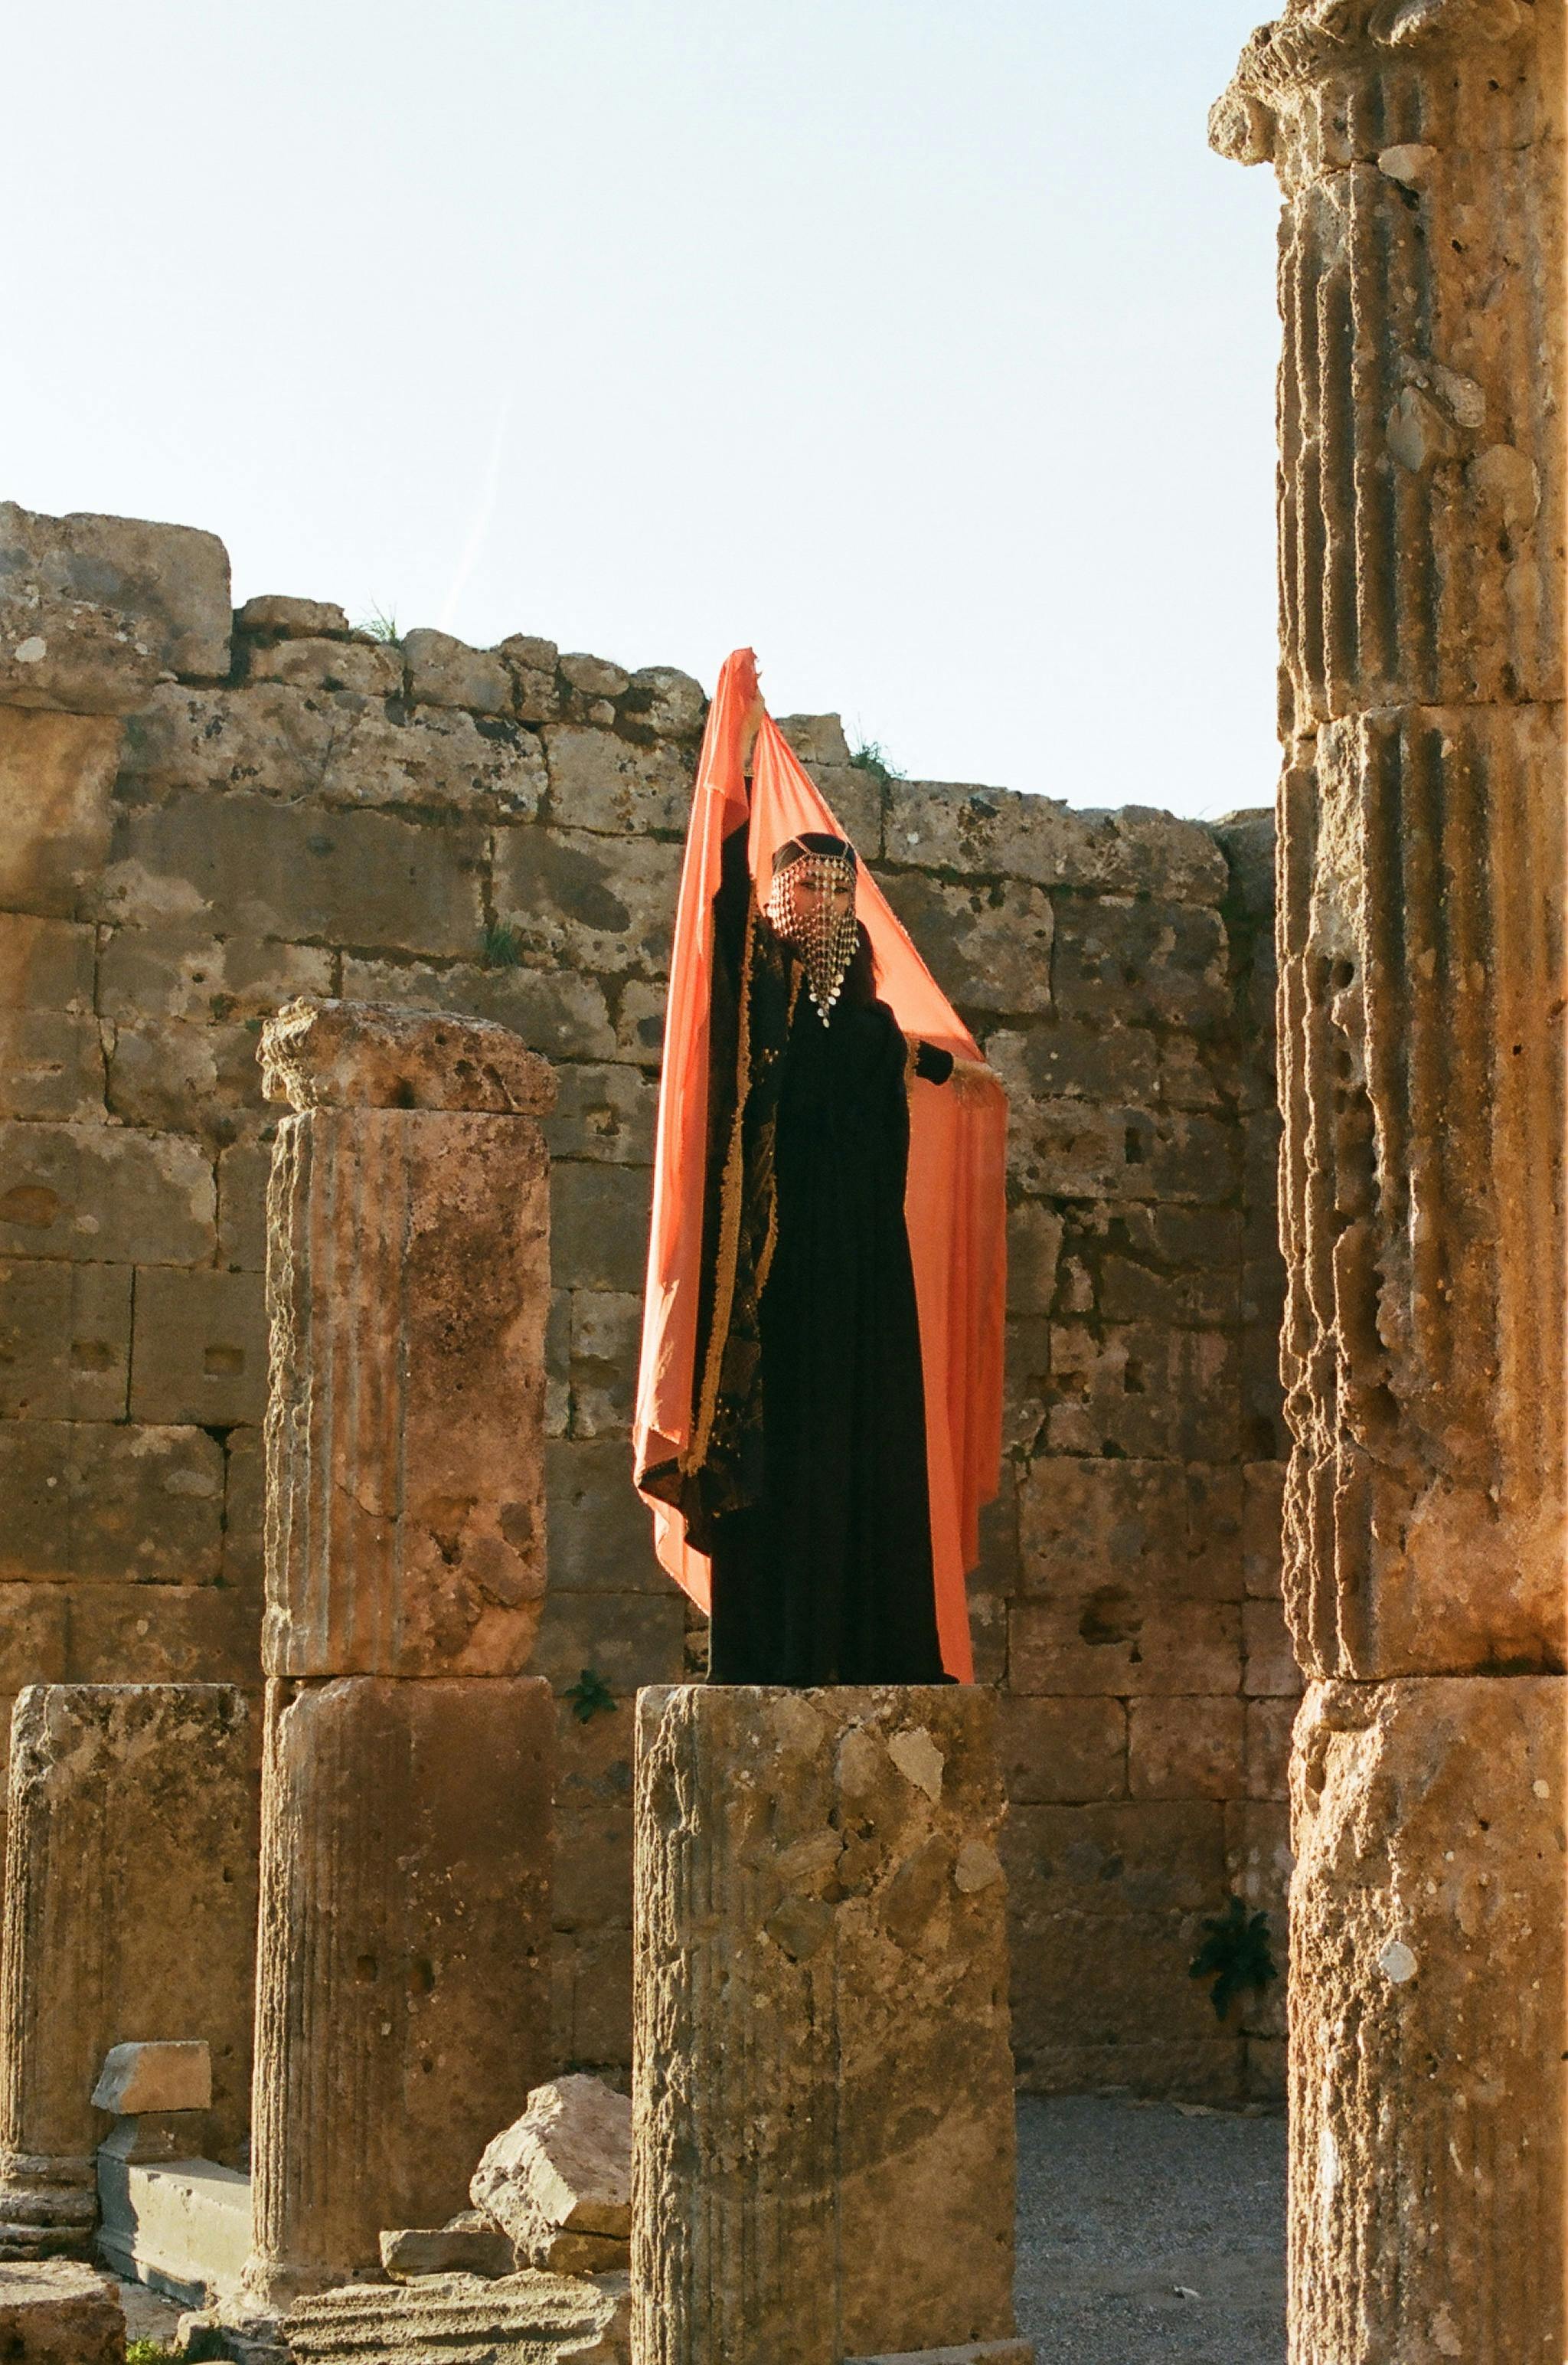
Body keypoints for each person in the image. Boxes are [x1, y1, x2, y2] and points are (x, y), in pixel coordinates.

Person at [633, 650, 1007, 1686]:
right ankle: (775, 1648)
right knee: (785, 1452)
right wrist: (742, 768)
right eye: (800, 884)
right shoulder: (758, 988)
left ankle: (877, 1645)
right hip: (778, 1268)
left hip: (865, 1271)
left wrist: (962, 1077)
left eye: (835, 888)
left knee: (870, 1456)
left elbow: (914, 1061)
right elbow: (718, 905)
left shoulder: (874, 1022)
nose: (819, 902)